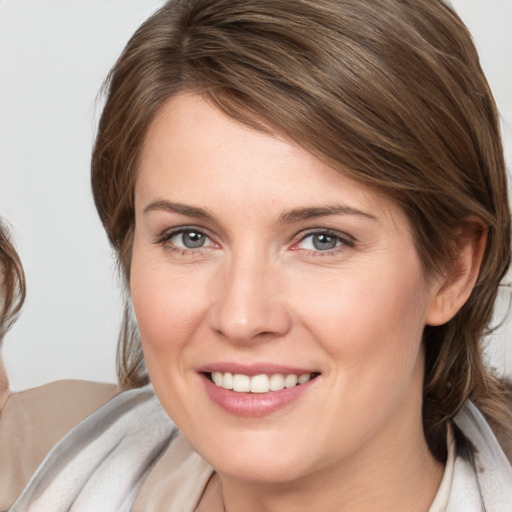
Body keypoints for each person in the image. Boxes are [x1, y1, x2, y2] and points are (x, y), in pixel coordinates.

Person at [3, 0, 512, 510]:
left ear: (452, 269)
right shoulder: (30, 459)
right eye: (190, 237)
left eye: (322, 239)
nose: (241, 317)